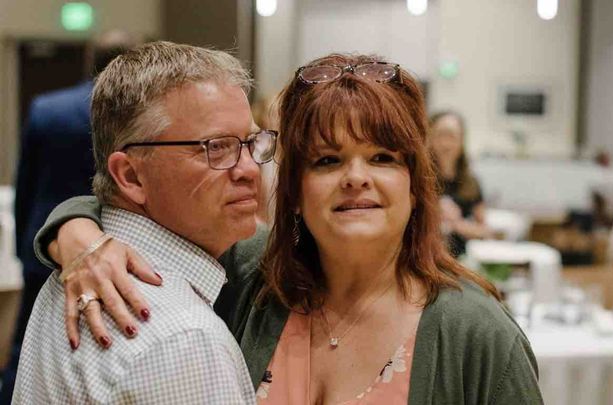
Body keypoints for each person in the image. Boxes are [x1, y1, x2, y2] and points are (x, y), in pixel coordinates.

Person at [34, 54, 543, 404]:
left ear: (415, 184)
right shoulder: (251, 274)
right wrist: (78, 236)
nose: (356, 178)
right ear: (295, 187)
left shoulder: (477, 336)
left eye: (382, 158)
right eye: (327, 160)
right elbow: (132, 209)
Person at [13, 41, 269, 404]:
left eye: (252, 142)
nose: (250, 169)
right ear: (131, 176)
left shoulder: (70, 278)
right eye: (216, 147)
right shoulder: (184, 338)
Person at [1, 30, 138, 403]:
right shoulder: (131, 115)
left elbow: (25, 181)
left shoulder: (47, 108)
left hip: (42, 239)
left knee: (27, 342)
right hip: (108, 242)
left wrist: (23, 246)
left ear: (90, 60)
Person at [428, 111, 492, 256]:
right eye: (440, 135)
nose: (445, 144)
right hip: (426, 258)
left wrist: (456, 223)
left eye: (451, 136)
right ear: (430, 138)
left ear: (461, 140)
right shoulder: (418, 179)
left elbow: (485, 231)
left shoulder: (471, 183)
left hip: (459, 260)